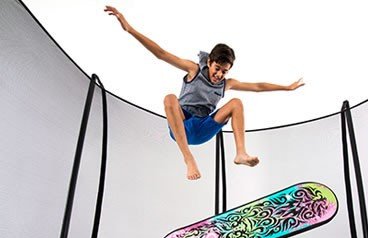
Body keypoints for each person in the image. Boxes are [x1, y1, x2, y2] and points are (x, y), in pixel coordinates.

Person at [105, 6, 304, 180]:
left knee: (236, 103)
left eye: (224, 71)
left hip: (203, 128)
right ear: (209, 62)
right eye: (217, 68)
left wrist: (286, 87)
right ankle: (188, 158)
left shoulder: (227, 83)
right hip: (181, 125)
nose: (219, 75)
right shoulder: (193, 69)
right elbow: (161, 54)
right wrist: (129, 29)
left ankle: (241, 153)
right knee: (170, 98)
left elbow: (258, 87)